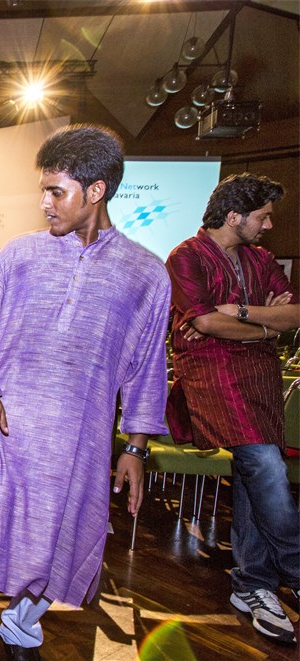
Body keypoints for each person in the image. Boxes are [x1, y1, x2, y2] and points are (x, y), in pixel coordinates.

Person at [0, 125, 171, 660]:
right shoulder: (18, 256)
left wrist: (135, 447)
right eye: (42, 189)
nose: (43, 203)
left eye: (56, 192)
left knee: (58, 537)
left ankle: (22, 626)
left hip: (78, 440)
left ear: (96, 191)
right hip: (4, 423)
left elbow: (145, 368)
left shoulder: (146, 275)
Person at [166, 173, 299, 646]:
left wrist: (241, 314)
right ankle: (295, 565)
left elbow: (295, 314)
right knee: (263, 461)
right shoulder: (185, 256)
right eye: (262, 217)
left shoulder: (262, 259)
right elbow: (203, 321)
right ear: (234, 216)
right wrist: (266, 324)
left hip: (259, 375)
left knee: (252, 469)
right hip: (211, 373)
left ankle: (254, 585)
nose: (267, 227)